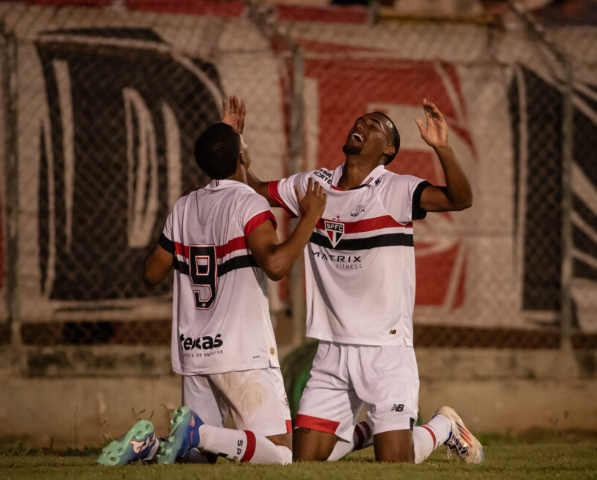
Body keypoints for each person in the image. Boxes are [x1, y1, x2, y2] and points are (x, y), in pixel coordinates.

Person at [232, 96, 484, 464]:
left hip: (386, 352)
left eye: (374, 126)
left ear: (389, 149)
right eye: (360, 120)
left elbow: (460, 200)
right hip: (332, 349)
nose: (361, 125)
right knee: (304, 464)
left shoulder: (394, 189)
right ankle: (372, 431)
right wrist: (236, 148)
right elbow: (253, 188)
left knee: (394, 464)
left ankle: (442, 427)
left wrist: (442, 149)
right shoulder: (314, 185)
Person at [98, 113, 327, 466]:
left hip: (195, 351)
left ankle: (154, 446)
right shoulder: (249, 203)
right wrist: (309, 217)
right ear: (242, 159)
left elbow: (152, 272)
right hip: (241, 350)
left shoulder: (185, 205)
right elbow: (277, 266)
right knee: (281, 454)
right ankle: (196, 431)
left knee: (197, 460)